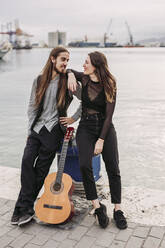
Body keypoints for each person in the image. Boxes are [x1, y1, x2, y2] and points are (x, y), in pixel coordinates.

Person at [11, 46, 81, 226]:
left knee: (41, 170)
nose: (65, 63)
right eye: (63, 59)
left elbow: (87, 99)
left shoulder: (68, 81)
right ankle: (24, 207)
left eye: (67, 60)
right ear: (52, 59)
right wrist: (29, 131)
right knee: (27, 162)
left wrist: (73, 117)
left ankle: (22, 209)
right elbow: (32, 107)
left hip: (54, 131)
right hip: (36, 129)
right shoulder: (39, 80)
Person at [61, 51, 127, 229]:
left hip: (105, 128)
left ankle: (118, 209)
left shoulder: (110, 83)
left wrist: (101, 140)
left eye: (87, 62)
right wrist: (70, 75)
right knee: (84, 165)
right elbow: (69, 70)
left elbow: (109, 117)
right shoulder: (85, 78)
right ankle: (97, 207)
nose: (84, 65)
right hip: (85, 127)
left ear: (96, 66)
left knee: (113, 167)